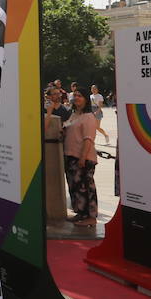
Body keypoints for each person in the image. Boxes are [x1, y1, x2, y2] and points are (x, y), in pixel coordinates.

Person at [62, 89, 99, 227]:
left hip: (82, 157)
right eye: (75, 95)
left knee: (86, 188)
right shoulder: (73, 115)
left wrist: (83, 158)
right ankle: (81, 213)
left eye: (80, 96)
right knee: (75, 187)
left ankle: (91, 217)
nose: (76, 98)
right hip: (70, 157)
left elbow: (88, 139)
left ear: (85, 99)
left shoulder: (88, 116)